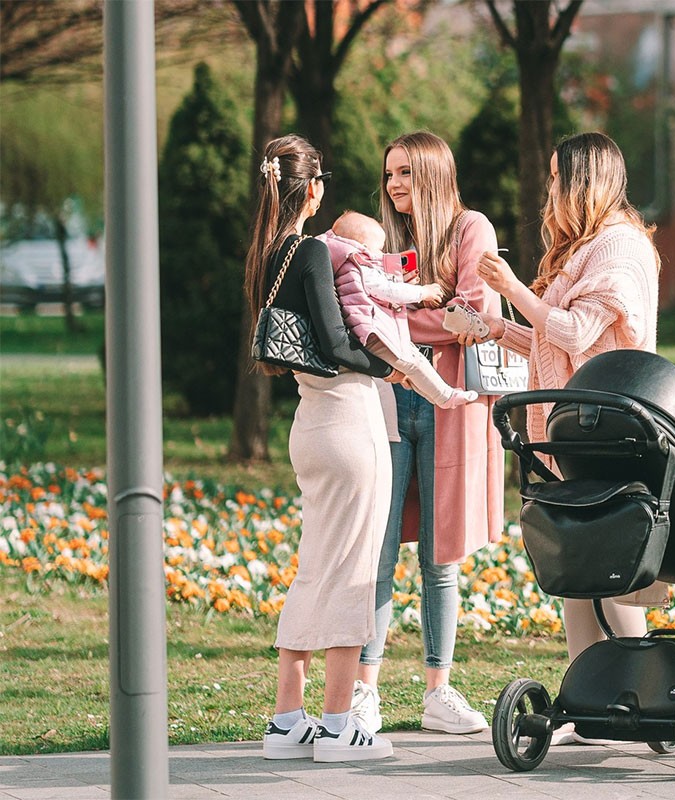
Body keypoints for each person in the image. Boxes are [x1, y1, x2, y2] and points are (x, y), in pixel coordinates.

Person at [466, 131, 664, 743]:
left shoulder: (620, 250)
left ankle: (646, 694)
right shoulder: (587, 251)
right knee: (577, 561)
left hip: (612, 432)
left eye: (556, 178)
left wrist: (510, 289)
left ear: (584, 181)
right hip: (577, 432)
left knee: (614, 565)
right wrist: (492, 327)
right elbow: (553, 342)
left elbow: (577, 333)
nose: (549, 190)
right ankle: (590, 700)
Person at [246, 135, 395, 762]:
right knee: (353, 572)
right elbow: (337, 345)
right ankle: (338, 726)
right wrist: (392, 367)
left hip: (309, 424)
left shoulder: (266, 252)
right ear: (312, 190)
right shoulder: (310, 250)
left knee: (316, 567)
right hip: (347, 422)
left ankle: (288, 721)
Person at [351, 131, 504, 736]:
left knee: (441, 557)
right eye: (389, 174)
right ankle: (366, 690)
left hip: (451, 408)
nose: (394, 185)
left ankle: (438, 692)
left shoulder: (472, 231)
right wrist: (423, 311)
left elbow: (473, 317)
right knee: (379, 551)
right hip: (389, 404)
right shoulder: (384, 238)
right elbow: (365, 306)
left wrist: (396, 313)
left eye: (406, 173)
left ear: (434, 174)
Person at [319, 211, 478, 409]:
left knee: (412, 362)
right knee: (412, 362)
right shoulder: (360, 267)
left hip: (367, 328)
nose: (381, 254)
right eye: (378, 249)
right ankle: (445, 397)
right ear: (361, 247)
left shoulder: (345, 263)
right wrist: (423, 292)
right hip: (372, 330)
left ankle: (438, 395)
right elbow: (387, 291)